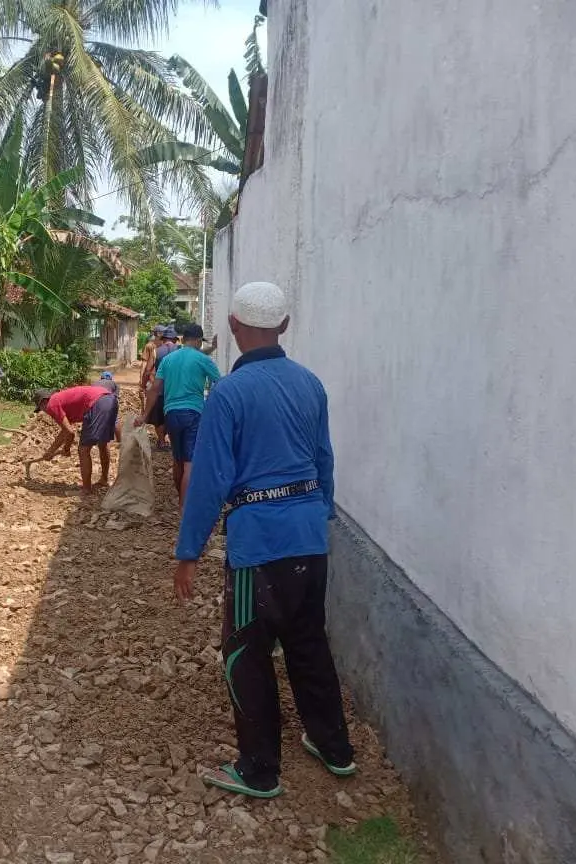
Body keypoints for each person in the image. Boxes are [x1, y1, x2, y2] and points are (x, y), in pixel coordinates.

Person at [173, 281, 355, 800]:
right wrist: (318, 515)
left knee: (245, 652)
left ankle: (258, 770)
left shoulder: (230, 394)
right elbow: (324, 460)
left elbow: (209, 479)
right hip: (308, 538)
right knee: (308, 643)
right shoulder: (310, 384)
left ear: (232, 326)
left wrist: (188, 552)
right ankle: (334, 747)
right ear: (285, 327)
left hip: (259, 545)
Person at [136, 323, 220, 507]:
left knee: (177, 459)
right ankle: (184, 507)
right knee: (190, 463)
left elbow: (154, 389)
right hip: (193, 413)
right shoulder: (202, 359)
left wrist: (144, 416)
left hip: (171, 414)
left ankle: (180, 497)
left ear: (183, 339)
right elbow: (220, 384)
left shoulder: (169, 359)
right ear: (198, 341)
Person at [33, 385, 119, 493]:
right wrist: (54, 450)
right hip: (110, 399)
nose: (44, 412)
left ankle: (86, 489)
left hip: (96, 403)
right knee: (102, 443)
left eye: (41, 409)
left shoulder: (52, 404)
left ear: (43, 402)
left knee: (83, 449)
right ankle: (104, 480)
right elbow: (65, 431)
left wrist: (64, 448)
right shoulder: (61, 399)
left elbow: (69, 432)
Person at [144, 325, 180, 449]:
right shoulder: (181, 351)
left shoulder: (156, 351)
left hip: (159, 390)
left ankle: (161, 441)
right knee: (171, 415)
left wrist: (143, 385)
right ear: (175, 339)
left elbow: (148, 370)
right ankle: (174, 442)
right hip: (176, 391)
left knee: (158, 416)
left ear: (163, 339)